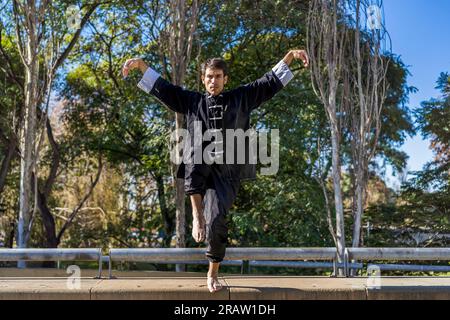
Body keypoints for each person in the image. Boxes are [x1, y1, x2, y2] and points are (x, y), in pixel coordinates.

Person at [122, 49, 309, 293]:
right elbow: (164, 89)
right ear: (203, 79)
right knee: (194, 159)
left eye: (218, 76)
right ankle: (196, 214)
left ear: (225, 79)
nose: (213, 81)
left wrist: (290, 57)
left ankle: (213, 271)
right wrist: (141, 65)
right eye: (209, 76)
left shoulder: (241, 98)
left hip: (227, 173)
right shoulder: (192, 101)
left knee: (217, 218)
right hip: (198, 169)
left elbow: (268, 83)